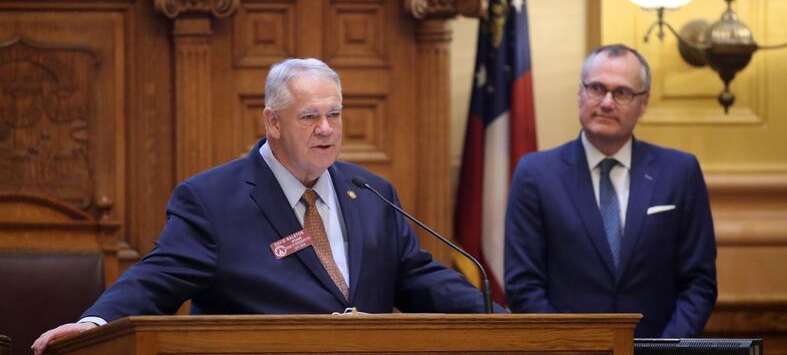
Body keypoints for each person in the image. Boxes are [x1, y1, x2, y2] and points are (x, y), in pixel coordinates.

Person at [33, 58, 497, 355]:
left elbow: (415, 275)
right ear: (272, 122)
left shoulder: (369, 189)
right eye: (310, 117)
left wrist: (502, 318)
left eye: (334, 114)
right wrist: (94, 323)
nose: (327, 130)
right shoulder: (212, 200)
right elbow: (158, 278)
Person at [504, 44, 717, 337]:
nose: (606, 102)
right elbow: (523, 286)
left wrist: (667, 350)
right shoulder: (535, 175)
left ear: (643, 103)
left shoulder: (679, 172)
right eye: (596, 88)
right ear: (580, 93)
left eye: (622, 93)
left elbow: (699, 282)